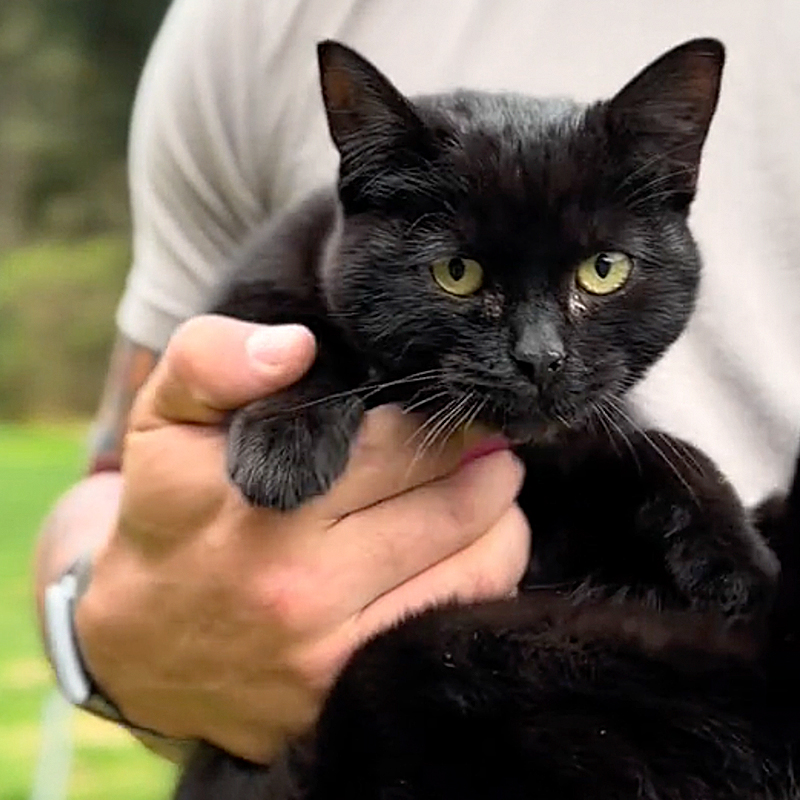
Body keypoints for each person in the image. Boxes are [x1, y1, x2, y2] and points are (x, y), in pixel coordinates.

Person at [34, 0, 800, 766]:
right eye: (459, 273)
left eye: (601, 272)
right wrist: (115, 631)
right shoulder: (249, 23)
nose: (540, 355)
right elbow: (116, 485)